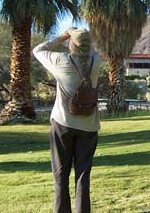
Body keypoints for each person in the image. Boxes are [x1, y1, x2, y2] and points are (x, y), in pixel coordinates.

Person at [33, 28, 100, 213]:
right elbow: (92, 52)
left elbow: (37, 50)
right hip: (89, 126)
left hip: (63, 124)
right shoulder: (96, 62)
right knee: (83, 175)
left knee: (60, 174)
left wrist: (62, 37)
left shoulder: (61, 60)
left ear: (71, 44)